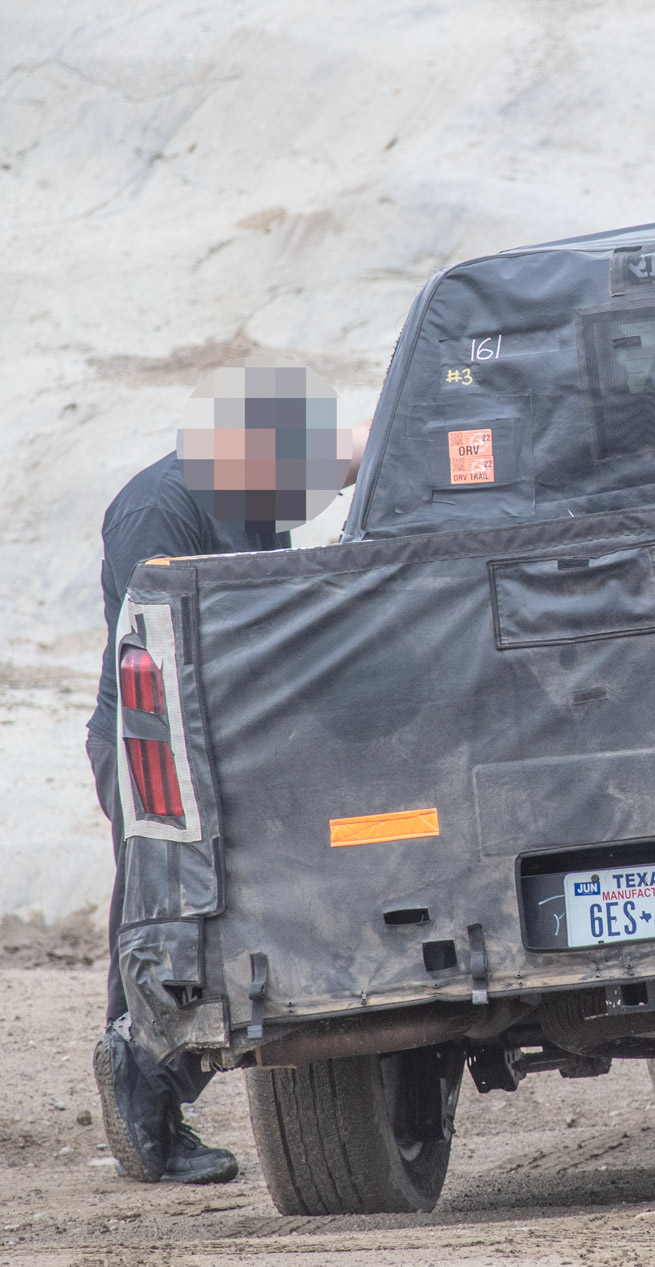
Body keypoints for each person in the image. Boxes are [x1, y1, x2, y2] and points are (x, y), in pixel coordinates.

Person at [89, 357, 366, 1181]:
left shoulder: (253, 498)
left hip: (226, 736)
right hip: (154, 740)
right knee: (165, 915)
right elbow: (163, 648)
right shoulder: (157, 505)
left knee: (226, 912)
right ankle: (144, 1100)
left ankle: (157, 1086)